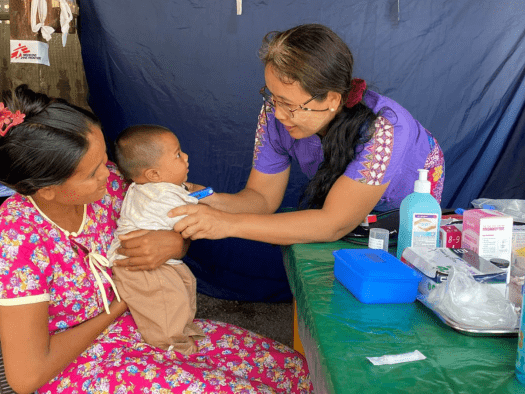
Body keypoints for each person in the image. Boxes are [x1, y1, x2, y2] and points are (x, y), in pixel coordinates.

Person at [0, 85, 312, 394]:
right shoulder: (17, 239)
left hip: (150, 325)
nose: (109, 174)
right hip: (82, 365)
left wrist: (174, 244)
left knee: (293, 370)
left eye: (105, 160)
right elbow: (27, 376)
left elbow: (169, 220)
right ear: (45, 189)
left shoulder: (111, 190)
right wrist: (120, 306)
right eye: (92, 172)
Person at [169, 23, 445, 245]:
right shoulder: (274, 114)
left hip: (408, 216)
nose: (277, 113)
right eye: (272, 97)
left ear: (332, 100)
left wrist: (225, 223)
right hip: (343, 213)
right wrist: (205, 199)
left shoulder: (385, 129)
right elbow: (262, 199)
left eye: (289, 104)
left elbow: (332, 223)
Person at [108, 124, 204, 355]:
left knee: (182, 291)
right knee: (165, 306)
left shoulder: (145, 188)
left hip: (144, 263)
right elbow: (200, 216)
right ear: (154, 174)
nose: (186, 157)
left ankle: (179, 331)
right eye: (178, 155)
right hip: (142, 267)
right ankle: (171, 350)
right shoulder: (162, 195)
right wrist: (206, 199)